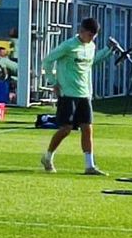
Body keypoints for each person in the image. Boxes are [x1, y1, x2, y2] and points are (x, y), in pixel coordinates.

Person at [39, 17, 109, 176]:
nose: (91, 38)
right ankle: (48, 157)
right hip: (68, 93)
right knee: (66, 129)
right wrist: (53, 82)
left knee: (87, 128)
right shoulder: (68, 46)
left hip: (84, 94)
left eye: (94, 36)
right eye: (89, 35)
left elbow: (90, 64)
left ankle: (90, 165)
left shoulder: (91, 46)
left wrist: (108, 51)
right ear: (81, 31)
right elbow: (48, 60)